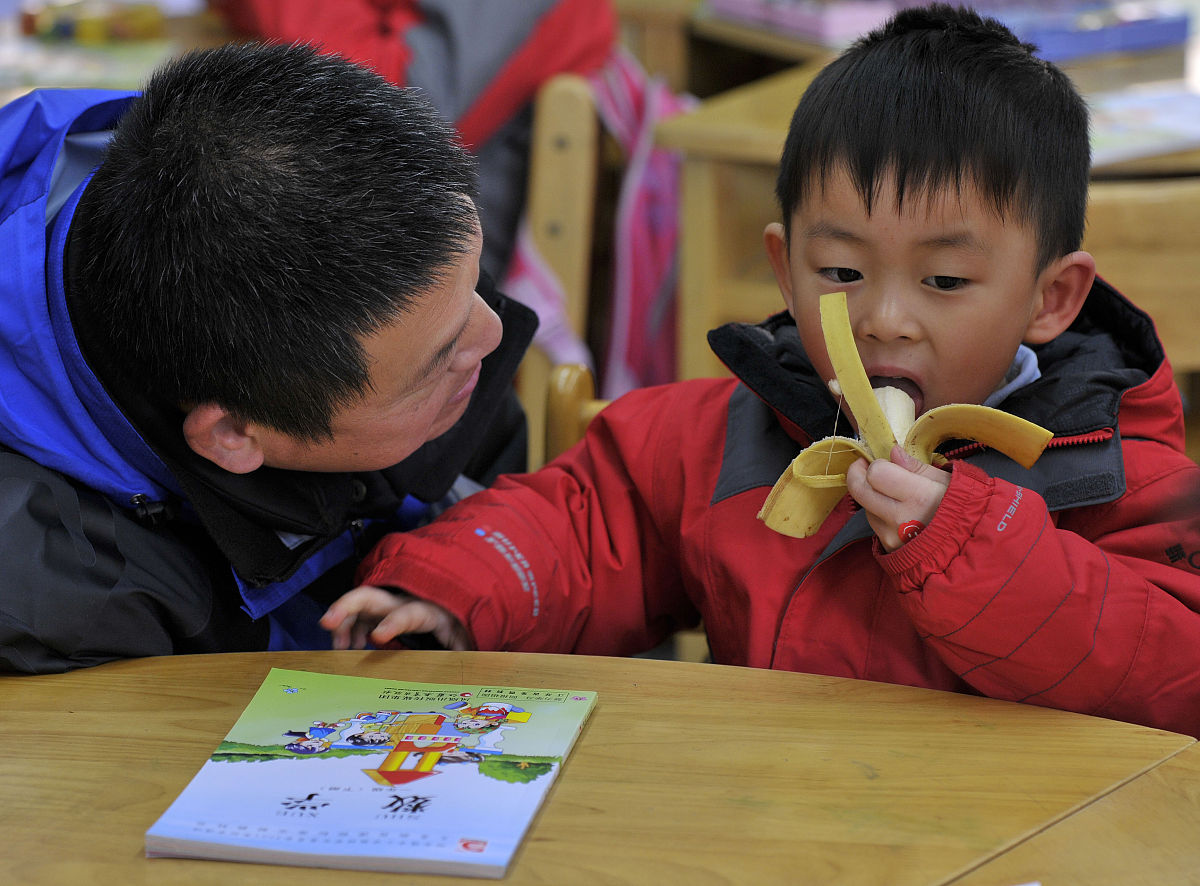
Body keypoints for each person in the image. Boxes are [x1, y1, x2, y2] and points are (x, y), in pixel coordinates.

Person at [321, 4, 1200, 738]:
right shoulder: (727, 437)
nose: (884, 318)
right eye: (842, 273)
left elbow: (1171, 672)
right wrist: (445, 594)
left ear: (1052, 299)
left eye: (944, 281)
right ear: (785, 270)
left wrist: (967, 542)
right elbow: (590, 524)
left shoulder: (1119, 473)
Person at [0, 42, 537, 672]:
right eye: (439, 358)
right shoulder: (56, 603)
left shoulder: (404, 286)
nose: (493, 332)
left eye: (475, 282)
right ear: (232, 434)